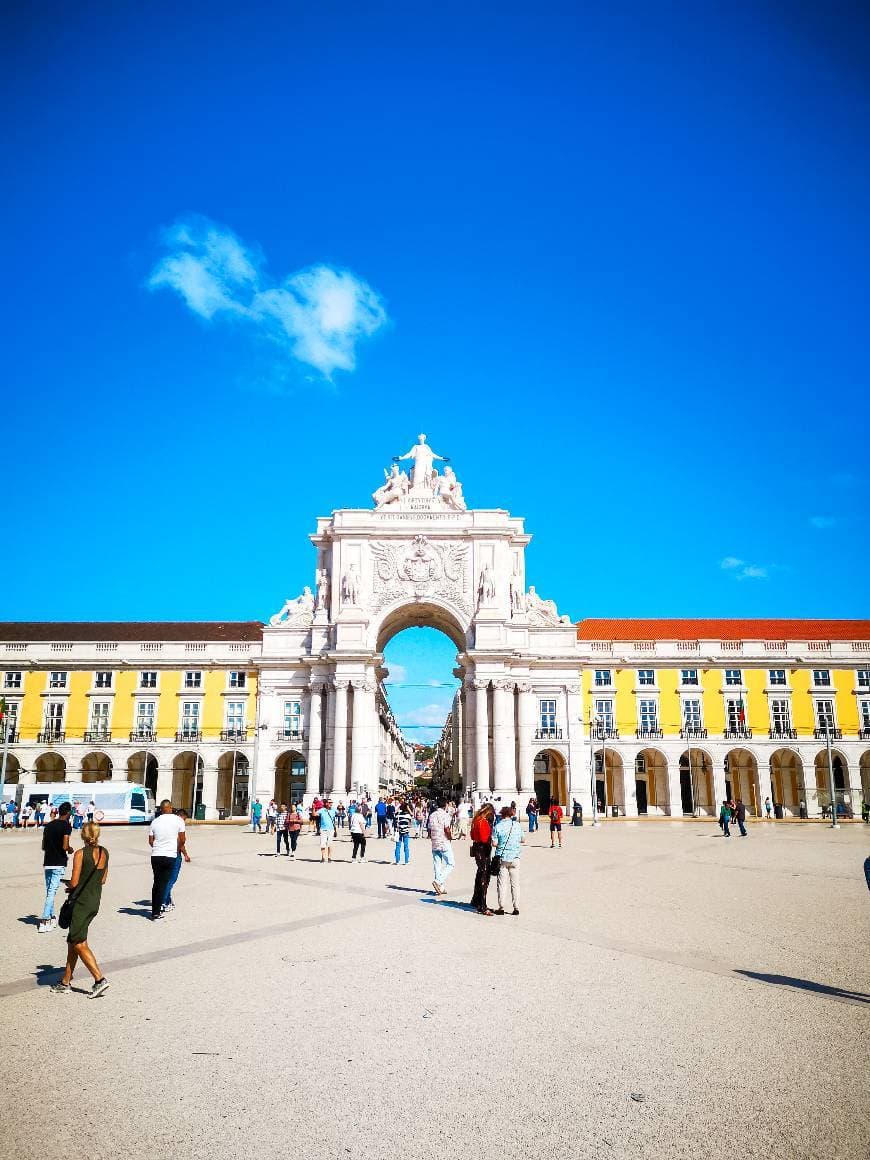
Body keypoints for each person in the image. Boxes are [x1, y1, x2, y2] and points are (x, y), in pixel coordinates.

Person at [50, 821, 109, 998]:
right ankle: (66, 981)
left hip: (81, 903)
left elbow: (75, 882)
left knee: (78, 942)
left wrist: (69, 885)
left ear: (83, 835)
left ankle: (99, 980)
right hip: (94, 901)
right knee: (73, 940)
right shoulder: (104, 852)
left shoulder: (80, 854)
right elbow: (103, 879)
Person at [148, 799, 187, 920]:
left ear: (160, 809)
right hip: (170, 855)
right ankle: (159, 909)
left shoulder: (155, 821)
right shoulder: (178, 820)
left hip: (156, 855)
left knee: (156, 883)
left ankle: (155, 910)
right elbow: (182, 839)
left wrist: (159, 846)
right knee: (164, 883)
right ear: (170, 808)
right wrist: (174, 848)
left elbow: (150, 841)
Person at [38, 801, 73, 933]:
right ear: (68, 812)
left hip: (48, 861)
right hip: (59, 862)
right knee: (52, 892)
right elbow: (65, 846)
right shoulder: (66, 826)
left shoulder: (49, 826)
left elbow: (43, 846)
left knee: (49, 892)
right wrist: (70, 849)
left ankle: (52, 917)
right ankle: (44, 920)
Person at [492, 805, 523, 916]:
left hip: (502, 858)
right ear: (511, 815)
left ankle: (501, 907)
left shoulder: (498, 826)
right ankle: (516, 907)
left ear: (502, 815)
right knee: (515, 884)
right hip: (515, 857)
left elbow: (494, 843)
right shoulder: (517, 825)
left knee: (502, 883)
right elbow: (523, 839)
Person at [162, 809, 191, 913]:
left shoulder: (165, 823)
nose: (184, 821)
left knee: (165, 879)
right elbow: (181, 842)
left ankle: (167, 901)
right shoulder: (178, 824)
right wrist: (186, 855)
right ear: (180, 816)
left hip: (162, 854)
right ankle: (163, 901)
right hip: (174, 855)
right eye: (184, 818)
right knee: (171, 880)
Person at [469, 803, 496, 915]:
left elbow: (472, 835)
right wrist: (492, 838)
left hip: (477, 848)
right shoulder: (483, 822)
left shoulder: (476, 820)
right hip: (483, 849)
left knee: (480, 874)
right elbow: (485, 839)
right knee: (484, 877)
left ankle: (476, 900)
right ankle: (482, 905)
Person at [427, 797, 454, 896]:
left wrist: (431, 837)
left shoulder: (432, 815)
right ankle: (438, 881)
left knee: (437, 864)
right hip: (444, 842)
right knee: (451, 863)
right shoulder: (445, 815)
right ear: (445, 805)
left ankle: (441, 888)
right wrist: (450, 837)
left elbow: (429, 829)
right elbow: (447, 828)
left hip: (435, 842)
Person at [318, 797, 337, 863]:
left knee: (330, 844)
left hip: (331, 829)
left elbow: (339, 814)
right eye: (329, 802)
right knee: (323, 844)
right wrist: (313, 808)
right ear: (326, 803)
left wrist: (341, 810)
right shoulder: (322, 810)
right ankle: (323, 857)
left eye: (331, 802)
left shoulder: (334, 810)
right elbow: (314, 814)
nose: (330, 804)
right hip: (323, 829)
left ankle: (329, 857)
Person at [394, 800, 413, 865]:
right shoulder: (408, 815)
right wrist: (408, 808)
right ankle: (406, 861)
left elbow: (395, 812)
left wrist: (399, 806)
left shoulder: (397, 815)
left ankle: (397, 861)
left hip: (398, 832)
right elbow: (410, 823)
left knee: (398, 846)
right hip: (405, 832)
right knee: (406, 846)